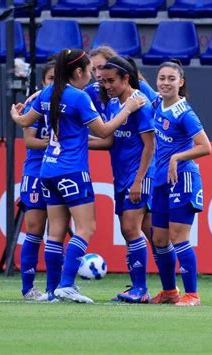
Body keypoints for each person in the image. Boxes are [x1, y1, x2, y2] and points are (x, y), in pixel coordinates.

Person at [11, 48, 145, 304]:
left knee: (56, 232)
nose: (94, 78)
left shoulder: (48, 93)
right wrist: (127, 109)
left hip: (47, 170)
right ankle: (67, 284)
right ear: (79, 72)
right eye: (90, 71)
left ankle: (52, 291)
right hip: (72, 170)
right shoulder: (79, 98)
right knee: (86, 228)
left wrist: (14, 113)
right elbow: (105, 131)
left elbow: (23, 120)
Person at [89, 56, 155, 303]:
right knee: (154, 235)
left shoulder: (141, 105)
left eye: (111, 81)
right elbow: (109, 140)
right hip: (122, 176)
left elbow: (150, 146)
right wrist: (76, 142)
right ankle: (167, 289)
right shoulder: (115, 104)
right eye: (104, 81)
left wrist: (139, 181)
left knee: (130, 228)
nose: (106, 86)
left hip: (138, 176)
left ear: (126, 78)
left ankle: (140, 289)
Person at [150, 60, 212, 307]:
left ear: (181, 82)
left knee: (178, 237)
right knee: (159, 239)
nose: (166, 82)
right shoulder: (157, 104)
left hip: (183, 178)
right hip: (161, 180)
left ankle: (192, 295)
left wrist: (177, 156)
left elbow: (206, 147)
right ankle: (169, 291)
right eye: (162, 78)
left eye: (171, 79)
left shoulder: (184, 113)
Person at [19, 58, 55, 300]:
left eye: (58, 78)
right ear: (43, 82)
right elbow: (29, 141)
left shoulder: (71, 104)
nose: (55, 83)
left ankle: (56, 288)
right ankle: (28, 288)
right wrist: (56, 143)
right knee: (34, 230)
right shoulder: (35, 105)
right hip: (35, 174)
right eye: (51, 79)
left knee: (57, 232)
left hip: (59, 172)